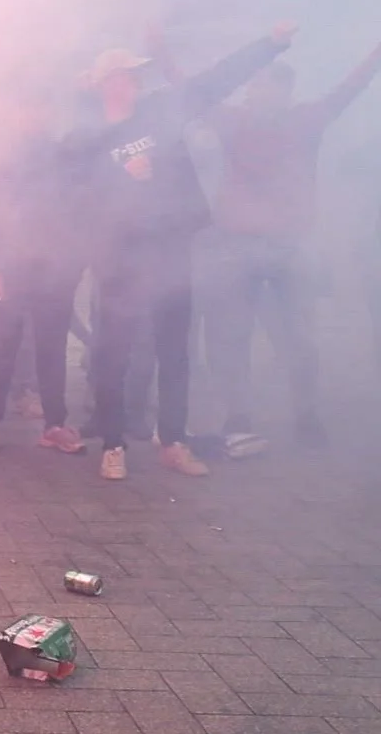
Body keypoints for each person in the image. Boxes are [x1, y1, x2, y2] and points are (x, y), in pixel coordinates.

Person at [68, 25, 293, 481]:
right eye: (125, 75)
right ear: (106, 83)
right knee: (114, 354)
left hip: (170, 252)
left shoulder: (159, 112)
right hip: (120, 260)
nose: (134, 82)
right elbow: (75, 194)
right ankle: (113, 445)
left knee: (175, 351)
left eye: (136, 74)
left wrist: (269, 45)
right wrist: (120, 178)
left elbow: (215, 81)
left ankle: (172, 441)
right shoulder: (88, 136)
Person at [202, 38, 380, 453]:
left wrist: (375, 55)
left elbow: (348, 89)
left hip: (289, 246)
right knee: (232, 336)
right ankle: (238, 417)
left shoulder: (306, 119)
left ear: (285, 92)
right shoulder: (233, 120)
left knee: (299, 337)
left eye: (266, 86)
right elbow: (196, 94)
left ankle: (306, 415)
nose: (256, 93)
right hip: (238, 245)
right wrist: (161, 53)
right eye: (254, 86)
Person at [0, 103, 88, 458]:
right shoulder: (0, 161)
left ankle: (55, 426)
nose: (35, 116)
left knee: (52, 351)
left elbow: (79, 212)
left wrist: (73, 266)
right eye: (27, 109)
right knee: (0, 351)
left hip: (54, 270)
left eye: (41, 109)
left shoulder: (64, 158)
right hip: (9, 270)